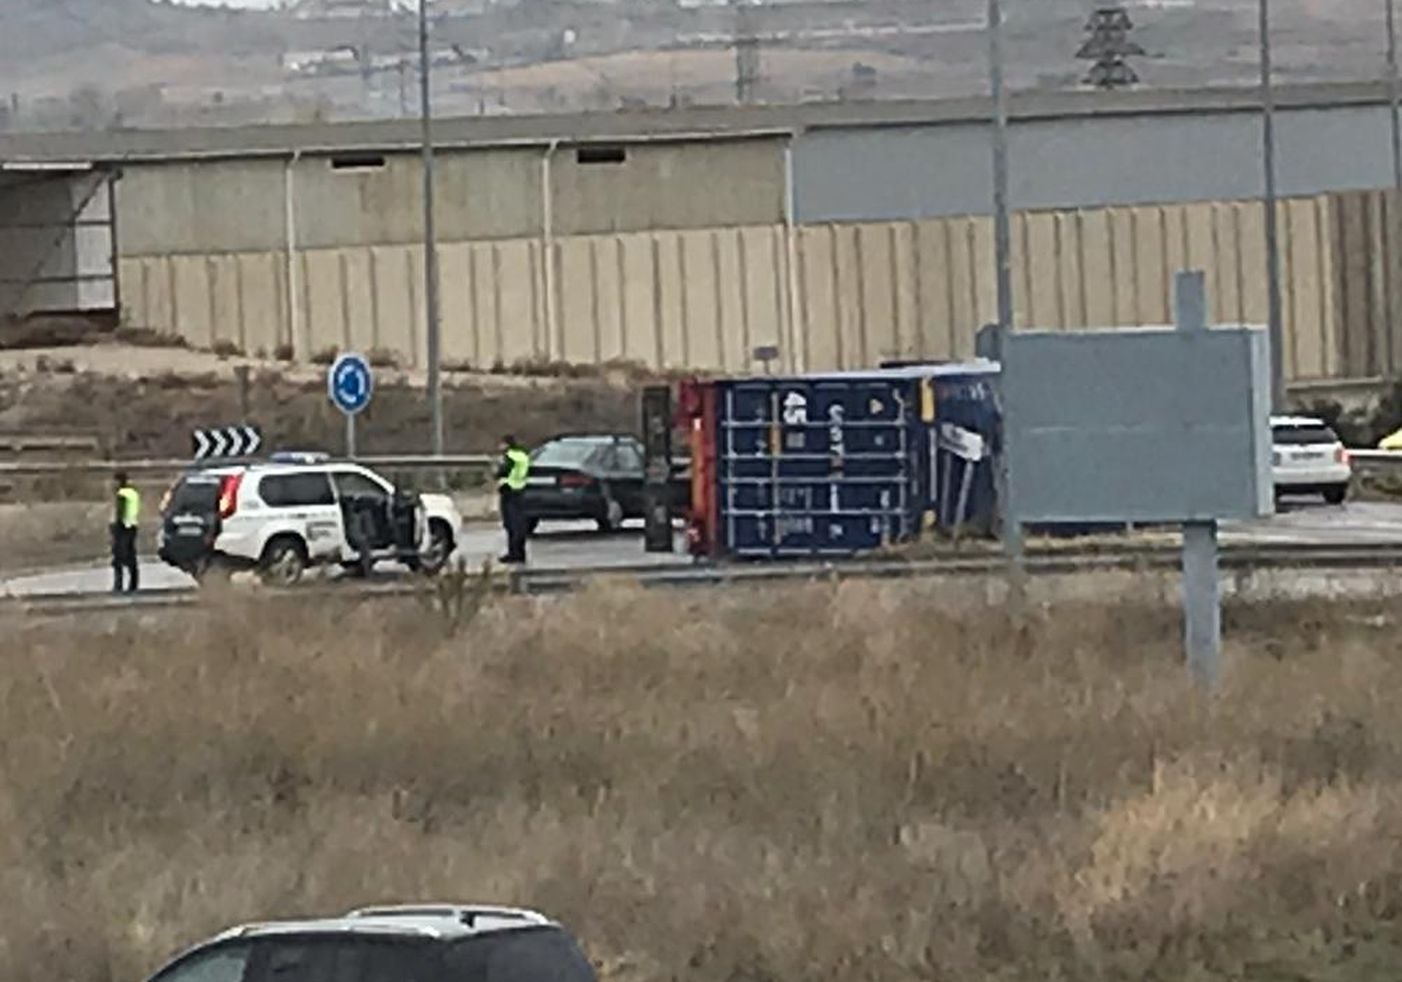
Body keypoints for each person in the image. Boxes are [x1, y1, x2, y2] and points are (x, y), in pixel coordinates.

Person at [496, 434, 531, 564]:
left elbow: (502, 472)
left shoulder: (509, 456)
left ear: (507, 444)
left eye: (502, 444)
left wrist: (497, 470)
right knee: (519, 523)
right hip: (520, 490)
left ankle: (513, 553)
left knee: (511, 524)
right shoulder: (522, 455)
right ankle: (520, 553)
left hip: (508, 490)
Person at [111, 470, 141, 593]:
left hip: (123, 527)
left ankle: (119, 584)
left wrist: (115, 527)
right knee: (131, 556)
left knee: (118, 557)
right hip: (133, 525)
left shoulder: (122, 494)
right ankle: (133, 584)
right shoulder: (133, 493)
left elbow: (120, 511)